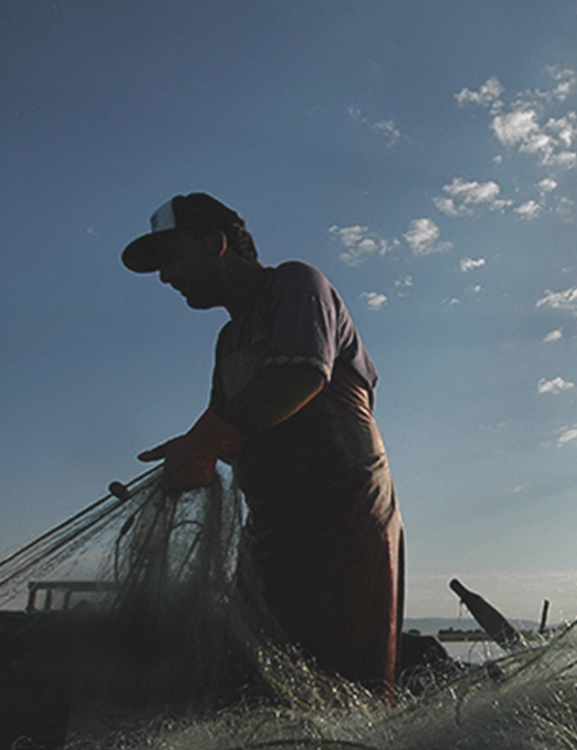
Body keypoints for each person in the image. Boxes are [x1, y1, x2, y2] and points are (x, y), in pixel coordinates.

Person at [123, 193, 404, 696]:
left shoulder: (297, 284)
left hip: (344, 524)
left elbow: (301, 374)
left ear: (216, 243)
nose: (165, 276)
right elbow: (231, 431)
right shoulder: (229, 340)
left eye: (172, 257)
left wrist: (205, 443)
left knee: (343, 687)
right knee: (258, 678)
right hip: (273, 531)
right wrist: (190, 451)